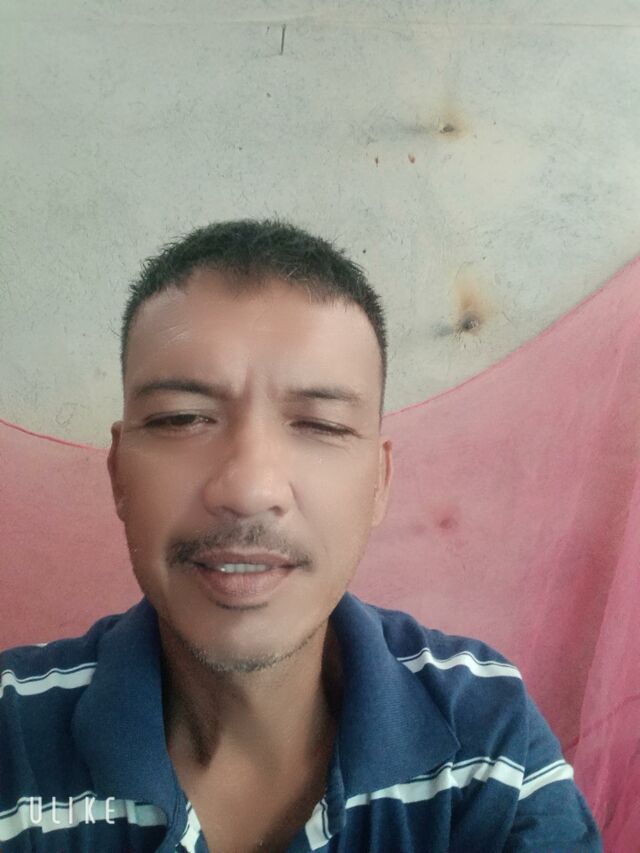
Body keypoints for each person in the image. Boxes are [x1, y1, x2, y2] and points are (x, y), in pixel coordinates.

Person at [0, 220, 602, 852]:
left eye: (320, 425)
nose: (248, 488)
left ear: (379, 482)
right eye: (182, 419)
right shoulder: (14, 734)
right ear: (119, 473)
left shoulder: (485, 743)